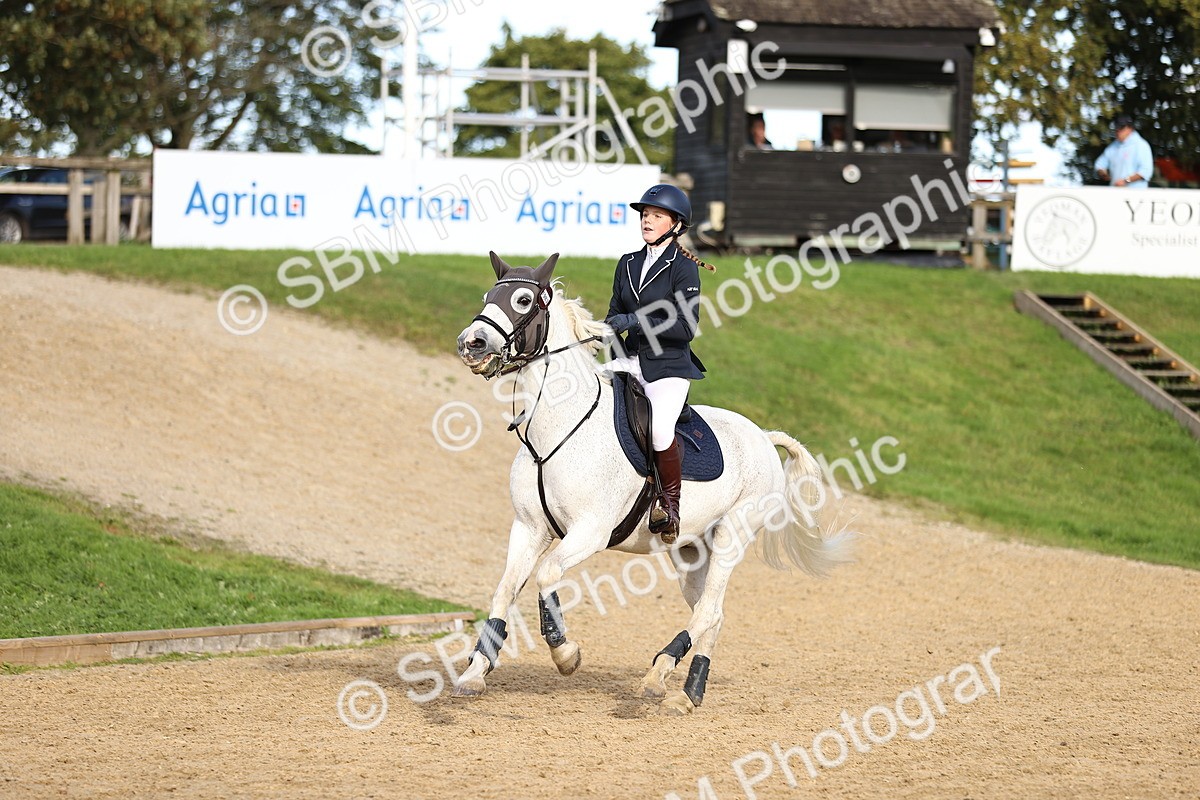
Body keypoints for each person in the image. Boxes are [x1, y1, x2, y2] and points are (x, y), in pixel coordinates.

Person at [604, 184, 714, 542]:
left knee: (660, 430)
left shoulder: (683, 269)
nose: (647, 221)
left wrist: (635, 323)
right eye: (644, 215)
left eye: (655, 216)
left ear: (676, 225)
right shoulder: (628, 263)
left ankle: (670, 505)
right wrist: (608, 338)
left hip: (668, 366)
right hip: (629, 360)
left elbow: (685, 326)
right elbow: (614, 314)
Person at [1095, 114, 1153, 188]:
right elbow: (1100, 164)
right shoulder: (1112, 147)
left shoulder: (1142, 145)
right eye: (1116, 128)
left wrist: (1126, 181)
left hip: (1136, 195)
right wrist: (1103, 174)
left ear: (1130, 128)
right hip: (1115, 193)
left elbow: (1145, 172)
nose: (1118, 131)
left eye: (1121, 128)